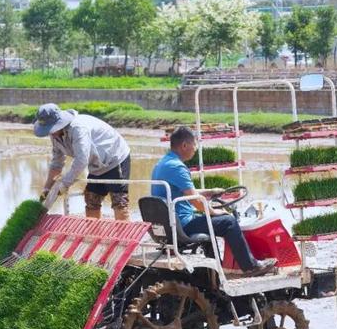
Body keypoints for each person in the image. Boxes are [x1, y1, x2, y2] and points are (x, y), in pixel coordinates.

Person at [151, 126, 277, 278]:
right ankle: (250, 266)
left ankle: (216, 271)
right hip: (183, 225)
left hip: (170, 225)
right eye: (194, 144)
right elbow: (197, 202)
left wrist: (209, 192)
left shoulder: (162, 164)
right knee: (228, 222)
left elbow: (185, 192)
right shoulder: (178, 167)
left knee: (211, 222)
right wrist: (215, 211)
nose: (195, 148)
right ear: (184, 145)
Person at [35, 103, 131, 221]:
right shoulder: (55, 135)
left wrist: (65, 183)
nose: (51, 133)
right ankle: (94, 236)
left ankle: (123, 238)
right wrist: (47, 188)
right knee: (91, 199)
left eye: (52, 129)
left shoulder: (78, 128)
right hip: (95, 164)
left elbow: (81, 160)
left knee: (119, 201)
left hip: (115, 157)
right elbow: (57, 163)